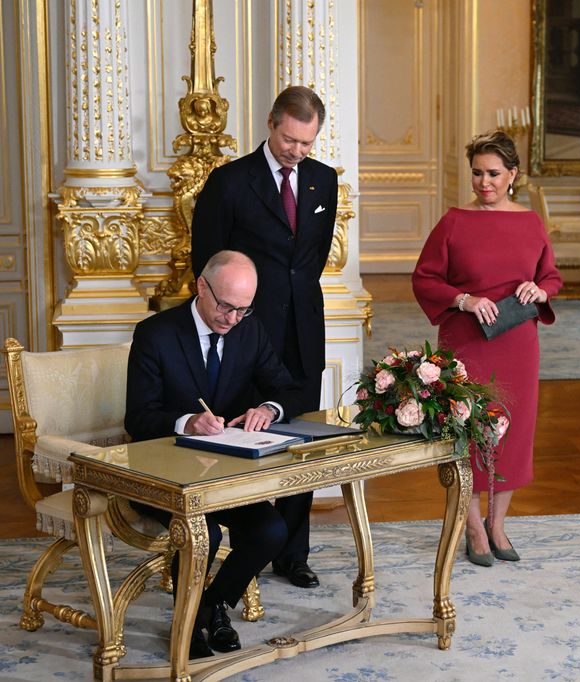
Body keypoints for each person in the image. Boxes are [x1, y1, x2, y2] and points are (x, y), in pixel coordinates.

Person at [191, 85, 338, 589]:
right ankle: (246, 547)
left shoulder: (323, 180)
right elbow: (207, 265)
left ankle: (293, 554)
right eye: (290, 139)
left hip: (304, 332)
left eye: (307, 142)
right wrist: (241, 318)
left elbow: (311, 260)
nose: (297, 151)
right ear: (272, 122)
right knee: (245, 435)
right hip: (247, 335)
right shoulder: (230, 182)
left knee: (301, 440)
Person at [125, 250, 303, 658]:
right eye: (226, 307)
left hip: (222, 475)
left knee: (271, 531)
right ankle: (186, 629)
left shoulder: (249, 330)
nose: (232, 319)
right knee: (205, 532)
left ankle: (212, 605)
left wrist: (268, 409)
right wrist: (187, 421)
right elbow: (138, 417)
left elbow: (289, 389)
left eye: (243, 309)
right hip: (161, 473)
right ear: (201, 287)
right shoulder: (156, 334)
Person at [412, 131, 563, 567]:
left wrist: (539, 288)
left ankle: (498, 525)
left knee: (513, 435)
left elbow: (551, 276)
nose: (484, 182)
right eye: (477, 173)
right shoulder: (454, 221)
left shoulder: (531, 222)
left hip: (517, 344)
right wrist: (464, 299)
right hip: (465, 345)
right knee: (468, 433)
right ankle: (474, 528)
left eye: (494, 174)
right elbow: (425, 278)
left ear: (513, 175)